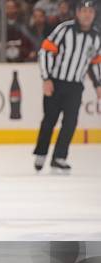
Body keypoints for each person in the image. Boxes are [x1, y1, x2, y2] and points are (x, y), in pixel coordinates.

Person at [34, 0, 100, 174]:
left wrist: (98, 84)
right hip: (56, 82)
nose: (87, 14)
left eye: (90, 11)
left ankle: (59, 158)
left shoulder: (96, 36)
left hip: (76, 86)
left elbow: (95, 63)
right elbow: (46, 51)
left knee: (70, 123)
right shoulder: (64, 29)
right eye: (83, 11)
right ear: (77, 13)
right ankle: (41, 153)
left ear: (94, 14)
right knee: (49, 120)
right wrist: (46, 78)